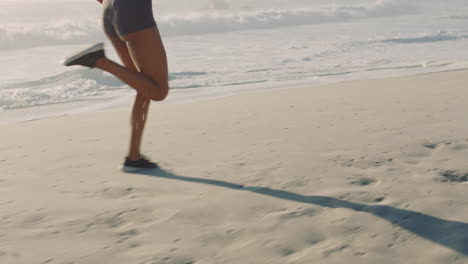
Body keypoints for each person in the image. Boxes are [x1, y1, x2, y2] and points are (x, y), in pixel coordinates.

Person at [64, 0, 169, 172]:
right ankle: (99, 60)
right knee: (158, 91)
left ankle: (133, 158)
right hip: (132, 10)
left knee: (143, 85)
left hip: (109, 11)